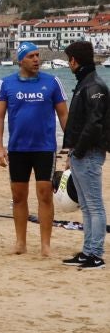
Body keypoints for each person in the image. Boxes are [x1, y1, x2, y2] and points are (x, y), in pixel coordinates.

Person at [0, 41, 68, 256]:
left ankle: (45, 244)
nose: (37, 59)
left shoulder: (52, 82)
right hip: (17, 149)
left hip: (44, 147)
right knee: (18, 196)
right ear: (20, 60)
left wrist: (70, 144)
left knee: (45, 194)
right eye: (31, 56)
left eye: (37, 55)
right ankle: (20, 242)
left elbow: (63, 114)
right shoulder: (5, 83)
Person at [61, 40, 109, 270]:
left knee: (94, 205)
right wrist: (72, 151)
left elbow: (95, 124)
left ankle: (96, 255)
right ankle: (88, 251)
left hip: (88, 153)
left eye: (68, 59)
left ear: (74, 60)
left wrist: (78, 150)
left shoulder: (94, 86)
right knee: (87, 206)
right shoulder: (86, 83)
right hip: (81, 152)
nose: (68, 63)